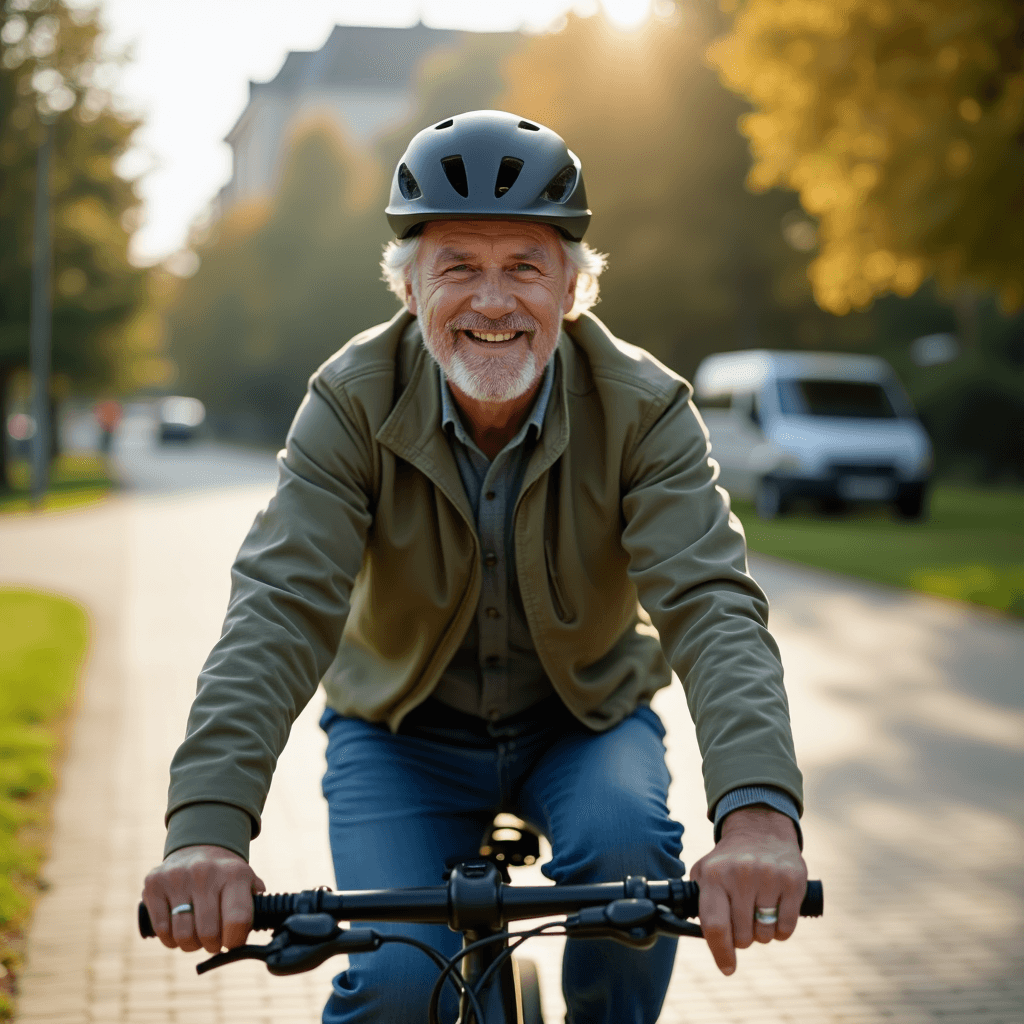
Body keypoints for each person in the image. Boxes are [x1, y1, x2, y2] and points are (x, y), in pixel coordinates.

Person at [143, 110, 807, 1024]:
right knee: (396, 984)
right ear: (410, 287)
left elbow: (711, 604)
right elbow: (281, 605)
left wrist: (759, 818)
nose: (493, 302)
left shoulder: (646, 409)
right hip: (399, 736)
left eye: (525, 267)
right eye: (458, 267)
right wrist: (207, 829)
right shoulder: (351, 400)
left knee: (633, 871)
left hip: (585, 724)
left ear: (572, 289)